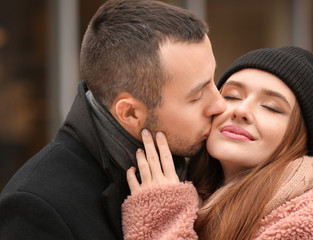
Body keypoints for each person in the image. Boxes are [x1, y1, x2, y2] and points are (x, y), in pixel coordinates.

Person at [0, 0, 226, 239]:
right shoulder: (36, 207)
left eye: (213, 79)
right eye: (197, 96)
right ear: (129, 113)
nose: (220, 103)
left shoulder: (207, 163)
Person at [121, 46, 313, 239]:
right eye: (232, 96)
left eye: (271, 107)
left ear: (299, 138)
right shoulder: (185, 186)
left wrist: (162, 222)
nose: (241, 110)